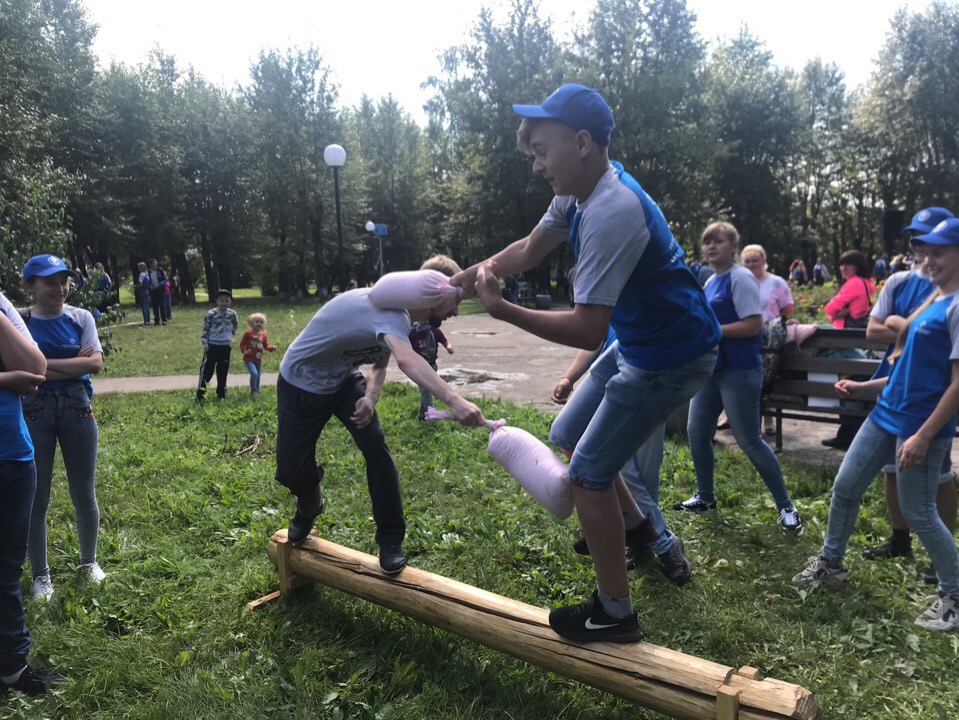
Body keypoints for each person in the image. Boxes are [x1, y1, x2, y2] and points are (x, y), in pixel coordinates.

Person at [452, 84, 721, 643]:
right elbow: (526, 252)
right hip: (641, 341)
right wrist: (456, 282)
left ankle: (614, 613)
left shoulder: (611, 210)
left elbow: (587, 327)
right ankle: (638, 528)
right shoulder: (576, 194)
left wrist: (502, 310)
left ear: (579, 143)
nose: (536, 167)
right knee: (568, 430)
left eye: (541, 151)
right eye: (532, 154)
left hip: (672, 357)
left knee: (589, 476)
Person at [793, 217, 959, 633]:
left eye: (939, 251)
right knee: (845, 487)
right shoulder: (936, 300)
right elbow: (910, 370)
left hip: (920, 424)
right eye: (926, 251)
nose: (929, 258)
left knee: (919, 513)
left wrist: (923, 435)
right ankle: (831, 564)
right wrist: (868, 387)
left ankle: (955, 594)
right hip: (886, 412)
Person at [274, 256, 485, 575]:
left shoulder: (402, 313)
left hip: (344, 381)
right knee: (293, 473)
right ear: (436, 290)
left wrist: (370, 396)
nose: (455, 311)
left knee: (376, 446)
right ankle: (310, 504)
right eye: (455, 301)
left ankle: (390, 541)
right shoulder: (389, 311)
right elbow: (406, 360)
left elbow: (380, 359)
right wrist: (454, 400)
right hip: (300, 384)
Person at [674, 223, 802, 531]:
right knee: (697, 433)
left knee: (749, 440)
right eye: (706, 242)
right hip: (712, 369)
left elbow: (753, 325)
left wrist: (712, 332)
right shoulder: (711, 280)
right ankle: (705, 496)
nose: (711, 247)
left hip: (739, 370)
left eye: (718, 241)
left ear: (734, 246)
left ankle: (787, 508)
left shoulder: (741, 278)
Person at [552, 327, 692, 585]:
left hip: (651, 376)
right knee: (622, 470)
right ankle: (663, 542)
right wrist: (569, 377)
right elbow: (594, 338)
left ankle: (644, 541)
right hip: (615, 380)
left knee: (646, 476)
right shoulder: (612, 300)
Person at [861, 207, 957, 582]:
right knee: (891, 469)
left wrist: (902, 325)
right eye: (916, 240)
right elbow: (872, 331)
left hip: (930, 398)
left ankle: (943, 558)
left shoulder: (948, 288)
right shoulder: (900, 280)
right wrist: (914, 331)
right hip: (893, 388)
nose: (920, 247)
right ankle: (900, 539)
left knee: (942, 477)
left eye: (929, 240)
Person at [20, 254, 105, 602]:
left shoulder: (81, 317)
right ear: (30, 286)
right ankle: (41, 575)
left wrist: (41, 365)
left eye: (64, 281)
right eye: (49, 281)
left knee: (84, 492)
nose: (60, 288)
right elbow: (17, 365)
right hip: (33, 412)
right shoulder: (20, 322)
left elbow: (95, 363)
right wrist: (73, 364)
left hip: (77, 409)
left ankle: (89, 562)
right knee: (35, 499)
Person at [0, 289, 65, 696]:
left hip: (12, 454)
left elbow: (36, 366)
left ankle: (10, 666)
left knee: (6, 571)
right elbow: (18, 375)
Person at [741, 243, 795, 436]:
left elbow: (787, 307)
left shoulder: (776, 282)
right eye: (747, 261)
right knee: (743, 377)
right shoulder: (739, 281)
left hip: (769, 339)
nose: (751, 264)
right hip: (745, 336)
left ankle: (769, 420)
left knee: (765, 378)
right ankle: (733, 417)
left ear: (764, 262)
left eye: (755, 261)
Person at [409, 316, 454, 421]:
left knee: (427, 390)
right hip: (418, 368)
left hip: (432, 366)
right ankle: (433, 414)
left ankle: (421, 416)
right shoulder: (412, 332)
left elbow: (445, 341)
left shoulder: (434, 330)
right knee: (426, 391)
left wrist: (449, 347)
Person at [197, 289, 238, 401]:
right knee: (207, 371)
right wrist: (205, 344)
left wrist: (230, 335)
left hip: (225, 347)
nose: (224, 303)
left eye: (227, 301)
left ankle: (221, 394)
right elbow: (205, 329)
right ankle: (200, 394)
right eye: (221, 300)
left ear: (230, 302)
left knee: (222, 371)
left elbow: (235, 325)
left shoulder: (232, 314)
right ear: (217, 301)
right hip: (212, 346)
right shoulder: (211, 313)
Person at [824, 250, 876, 329]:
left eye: (849, 264)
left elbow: (829, 309)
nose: (843, 268)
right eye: (841, 264)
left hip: (845, 332)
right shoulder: (864, 282)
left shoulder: (854, 284)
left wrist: (833, 317)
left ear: (858, 266)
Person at [240, 312, 276, 397]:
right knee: (254, 373)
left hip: (258, 359)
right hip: (248, 359)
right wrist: (244, 351)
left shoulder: (263, 335)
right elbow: (242, 344)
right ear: (251, 323)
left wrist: (271, 348)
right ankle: (253, 391)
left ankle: (257, 390)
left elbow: (266, 345)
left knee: (258, 376)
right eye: (257, 321)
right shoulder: (248, 333)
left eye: (261, 322)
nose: (259, 323)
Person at [148, 258, 169, 326]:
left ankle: (164, 319)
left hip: (160, 289)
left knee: (162, 305)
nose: (155, 265)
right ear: (150, 264)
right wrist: (151, 286)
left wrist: (158, 285)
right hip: (153, 290)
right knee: (155, 305)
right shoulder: (148, 272)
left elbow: (166, 279)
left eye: (156, 264)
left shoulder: (160, 270)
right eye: (154, 264)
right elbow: (147, 281)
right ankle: (156, 320)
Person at [135, 261, 151, 326]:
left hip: (142, 290)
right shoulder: (147, 274)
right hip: (147, 290)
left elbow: (140, 284)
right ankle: (148, 320)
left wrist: (135, 286)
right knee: (147, 306)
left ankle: (146, 320)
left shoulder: (141, 274)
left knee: (144, 306)